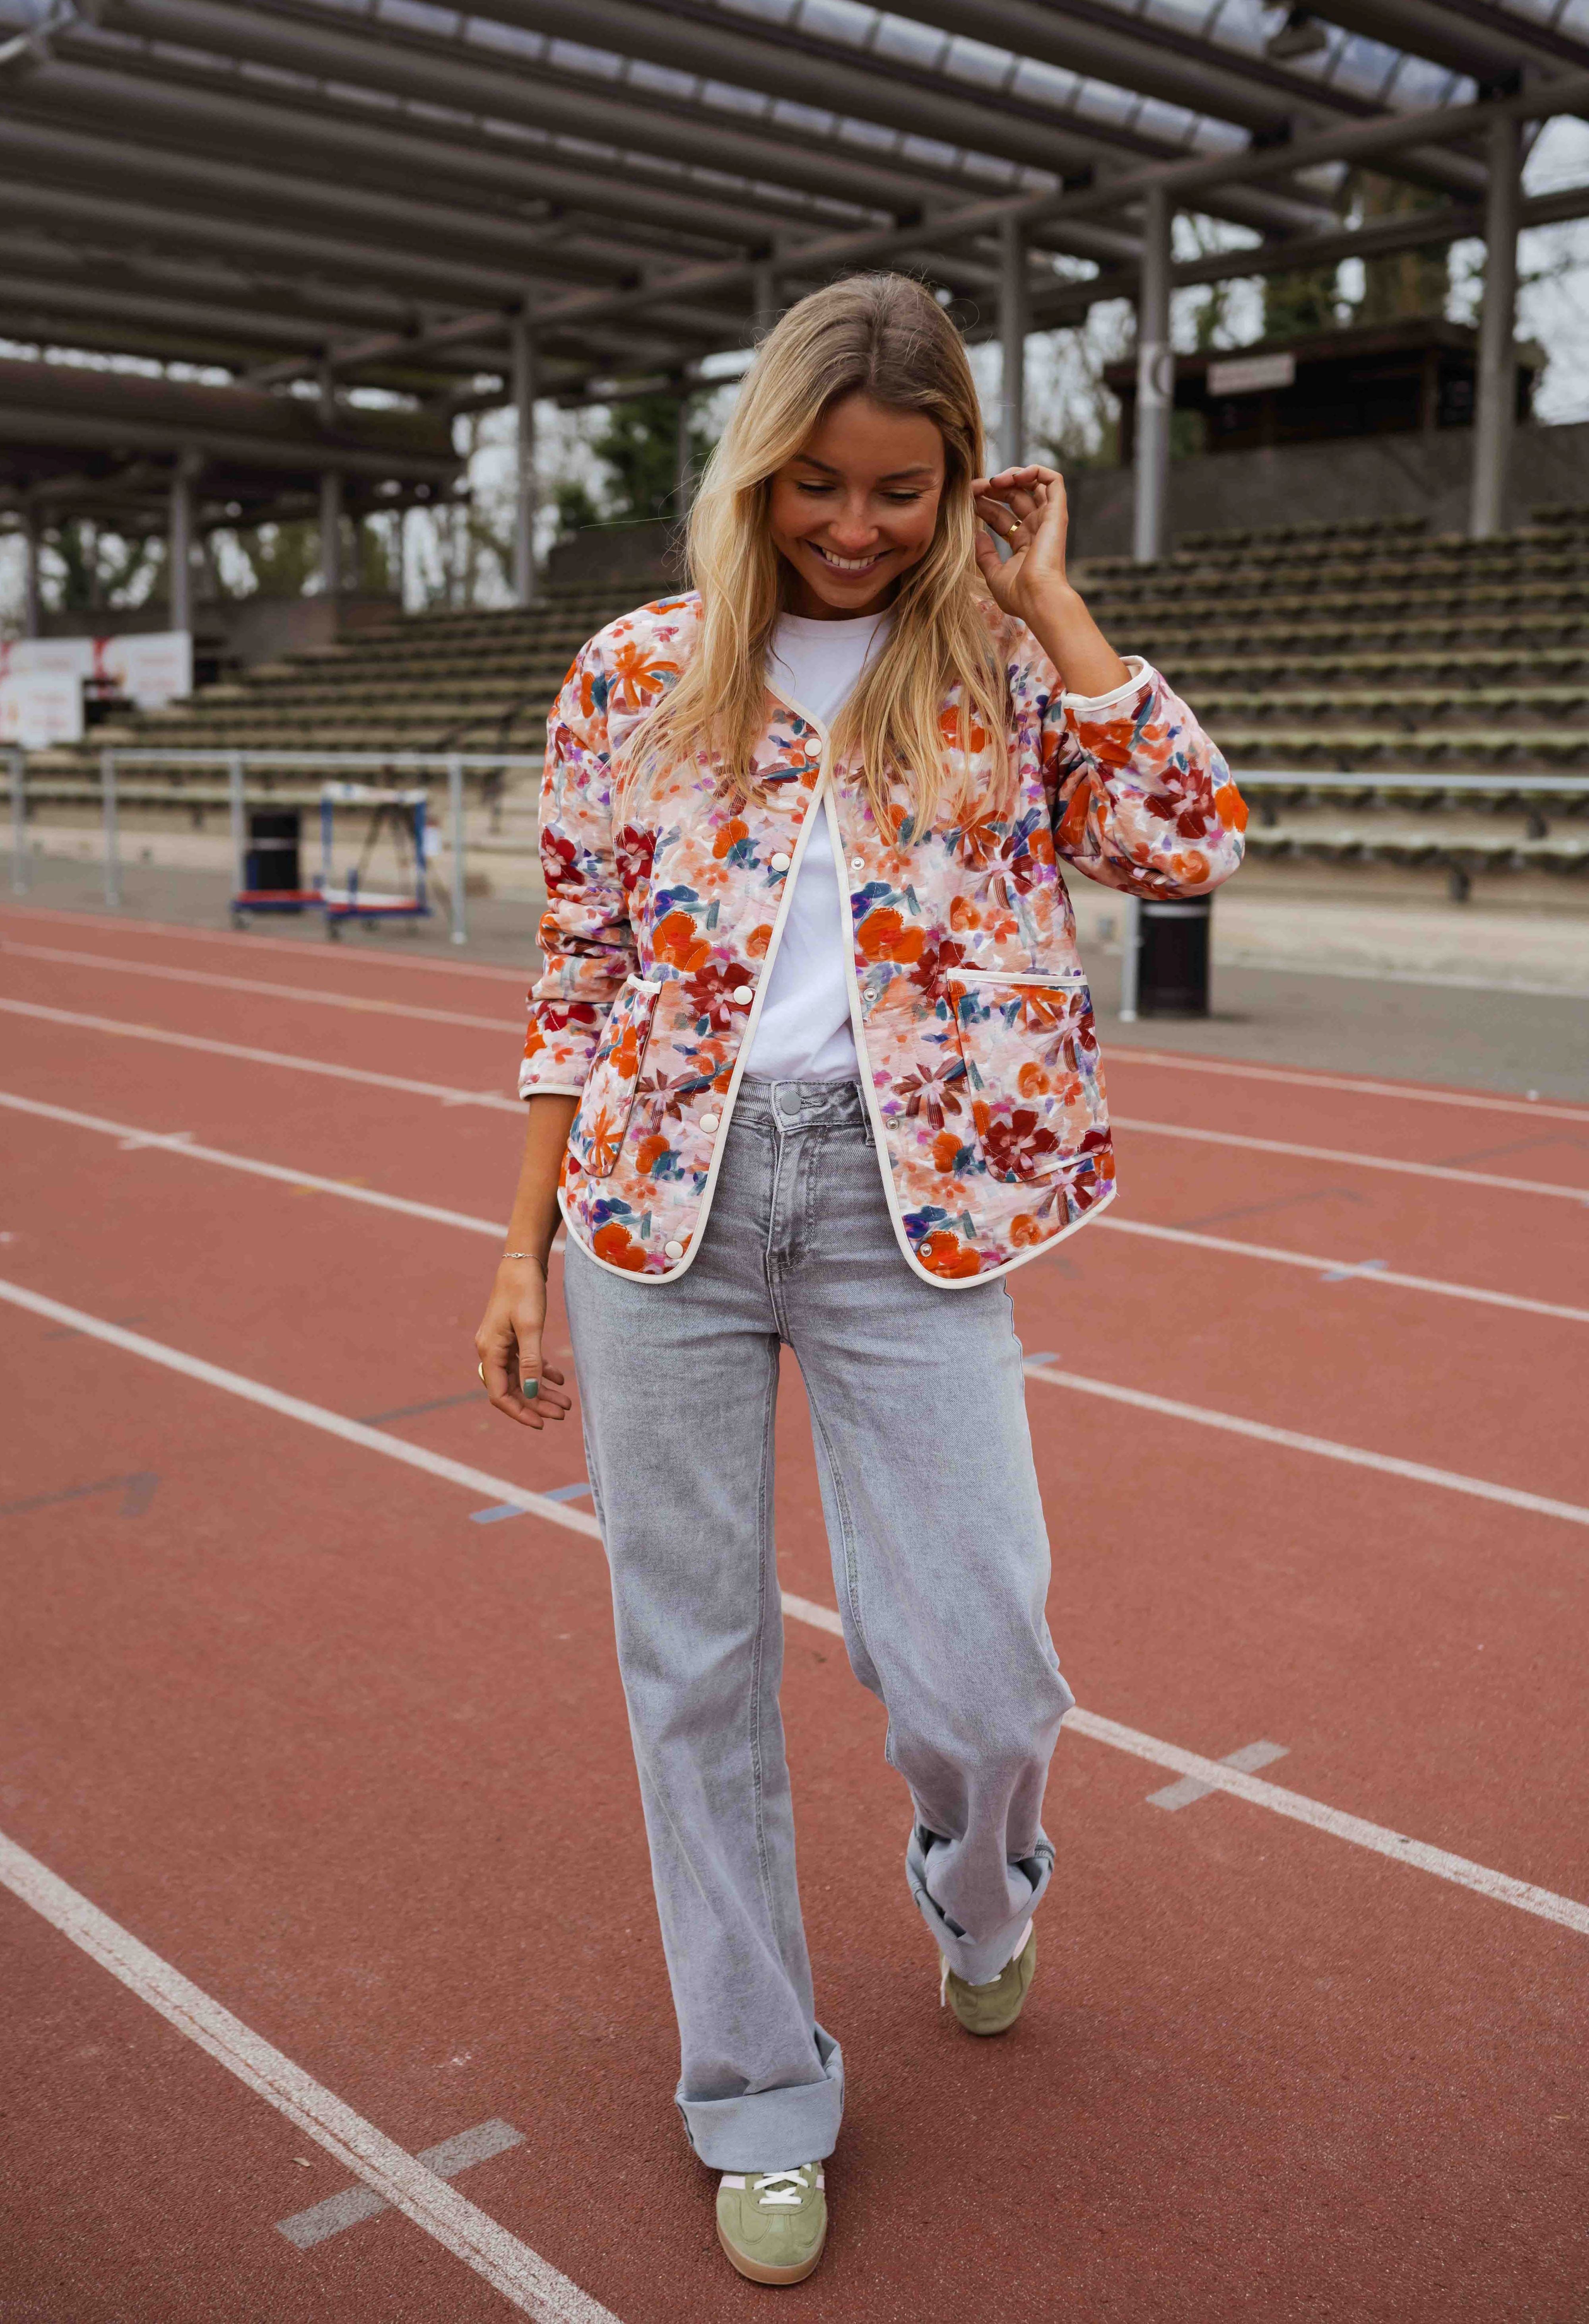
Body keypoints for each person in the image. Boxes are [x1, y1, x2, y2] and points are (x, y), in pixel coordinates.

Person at [474, 271, 1245, 2286]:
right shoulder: (633, 674)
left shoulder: (993, 668)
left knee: (982, 1657)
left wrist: (1052, 602)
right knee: (693, 1666)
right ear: (756, 471)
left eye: (900, 488)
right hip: (670, 1205)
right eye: (815, 482)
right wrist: (518, 1235)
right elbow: (578, 973)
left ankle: (975, 1883)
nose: (851, 523)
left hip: (918, 1210)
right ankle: (752, 2080)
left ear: (962, 479)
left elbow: (1188, 843)